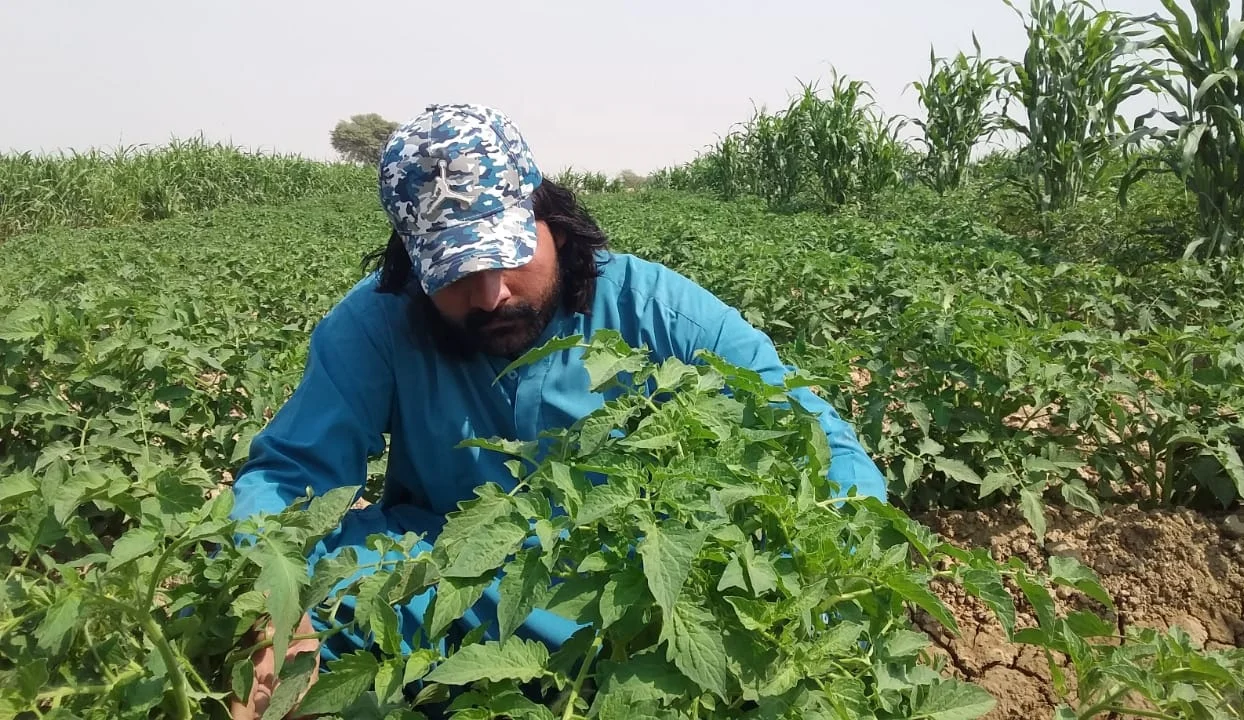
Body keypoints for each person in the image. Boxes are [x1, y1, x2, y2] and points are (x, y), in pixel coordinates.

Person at [227, 103, 886, 718]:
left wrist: (813, 601)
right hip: (446, 576)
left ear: (551, 220)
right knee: (328, 598)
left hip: (630, 592)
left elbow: (813, 435)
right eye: (453, 272)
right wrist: (278, 608)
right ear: (412, 264)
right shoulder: (378, 323)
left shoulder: (658, 312)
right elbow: (287, 477)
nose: (490, 295)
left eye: (505, 255)